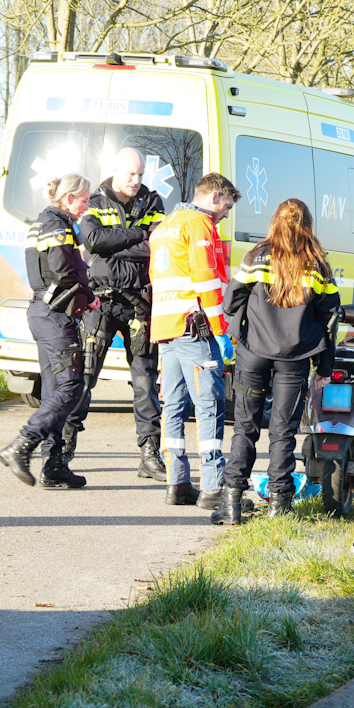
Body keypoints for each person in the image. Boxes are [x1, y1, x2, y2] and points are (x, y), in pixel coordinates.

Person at [214, 198, 341, 524]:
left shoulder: (257, 256)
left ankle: (231, 505)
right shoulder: (318, 265)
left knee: (244, 429)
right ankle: (279, 506)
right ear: (308, 224)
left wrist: (244, 326)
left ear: (274, 222)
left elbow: (231, 301)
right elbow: (330, 319)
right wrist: (324, 367)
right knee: (283, 432)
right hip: (295, 359)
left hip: (253, 353)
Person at [69, 147, 167, 481]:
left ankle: (149, 455)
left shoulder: (153, 203)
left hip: (141, 302)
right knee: (84, 378)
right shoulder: (95, 202)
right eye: (130, 174)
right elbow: (93, 240)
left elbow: (158, 245)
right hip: (101, 300)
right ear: (115, 171)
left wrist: (119, 243)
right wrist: (139, 235)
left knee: (145, 382)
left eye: (141, 174)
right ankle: (63, 450)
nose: (136, 181)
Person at [148, 172, 240, 507]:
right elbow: (206, 283)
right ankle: (214, 487)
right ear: (215, 196)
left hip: (166, 328)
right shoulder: (199, 225)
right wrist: (221, 330)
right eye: (227, 206)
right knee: (209, 404)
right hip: (194, 328)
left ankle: (177, 482)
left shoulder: (167, 223)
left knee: (172, 406)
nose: (226, 215)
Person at [0, 174, 94, 489]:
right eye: (84, 199)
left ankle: (53, 466)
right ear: (68, 198)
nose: (87, 205)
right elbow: (65, 273)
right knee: (71, 387)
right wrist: (90, 298)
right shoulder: (58, 227)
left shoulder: (45, 223)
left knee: (56, 393)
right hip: (56, 316)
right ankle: (21, 445)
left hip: (44, 312)